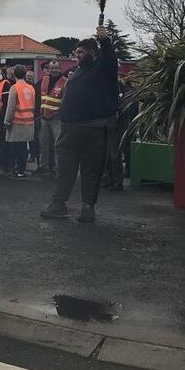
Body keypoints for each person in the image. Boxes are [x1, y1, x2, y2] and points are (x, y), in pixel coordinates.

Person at [40, 27, 119, 223]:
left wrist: (105, 40)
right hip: (70, 129)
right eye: (76, 53)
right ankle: (58, 204)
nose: (77, 56)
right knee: (65, 168)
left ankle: (88, 208)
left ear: (93, 53)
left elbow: (110, 60)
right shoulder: (77, 73)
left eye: (81, 53)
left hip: (94, 129)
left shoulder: (103, 69)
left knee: (91, 170)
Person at [34, 60, 66, 178]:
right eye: (51, 68)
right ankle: (44, 167)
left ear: (59, 68)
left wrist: (59, 114)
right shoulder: (44, 80)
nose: (53, 70)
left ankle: (60, 169)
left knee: (58, 145)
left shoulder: (65, 82)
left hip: (57, 118)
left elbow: (66, 102)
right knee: (43, 144)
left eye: (55, 68)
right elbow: (40, 98)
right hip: (43, 117)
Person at [4, 65, 36, 180]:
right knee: (24, 147)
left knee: (17, 148)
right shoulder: (31, 88)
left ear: (14, 75)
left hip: (17, 121)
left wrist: (7, 121)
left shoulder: (14, 88)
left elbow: (11, 107)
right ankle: (22, 170)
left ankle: (18, 170)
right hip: (29, 121)